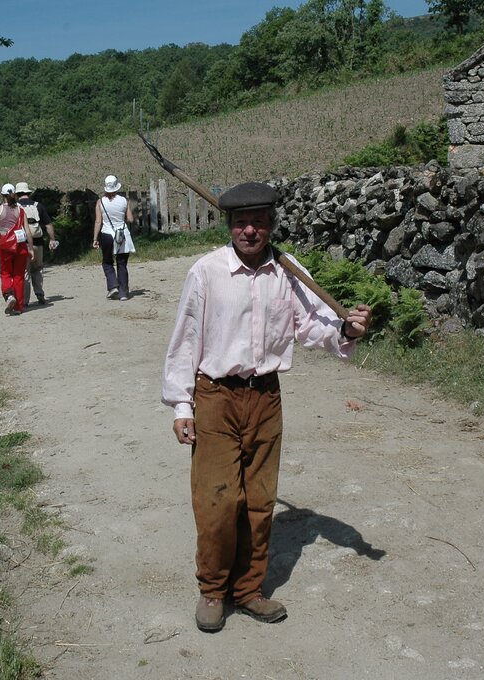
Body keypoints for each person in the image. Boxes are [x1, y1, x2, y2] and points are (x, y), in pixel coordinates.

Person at [160, 181, 372, 633]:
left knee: (258, 502)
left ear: (271, 225)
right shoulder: (206, 272)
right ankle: (214, 590)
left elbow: (316, 327)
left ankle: (249, 590)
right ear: (230, 227)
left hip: (266, 397)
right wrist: (182, 405)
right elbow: (184, 341)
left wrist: (348, 331)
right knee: (218, 502)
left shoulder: (288, 272)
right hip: (215, 396)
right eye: (241, 223)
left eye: (258, 222)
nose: (249, 231)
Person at [0, 183, 34, 316]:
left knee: (5, 273)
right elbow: (27, 231)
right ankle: (19, 307)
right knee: (19, 275)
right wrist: (30, 248)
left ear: (2, 195)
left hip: (5, 245)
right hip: (20, 246)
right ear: (14, 194)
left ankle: (9, 296)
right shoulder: (21, 211)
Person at [14, 181, 59, 305]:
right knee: (38, 268)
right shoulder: (38, 206)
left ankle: (25, 300)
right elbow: (48, 225)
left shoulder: (16, 207)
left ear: (17, 194)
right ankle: (39, 293)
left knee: (25, 271)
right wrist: (52, 239)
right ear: (28, 193)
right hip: (38, 243)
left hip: (22, 243)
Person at [92, 174, 135, 301]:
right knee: (122, 263)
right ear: (117, 187)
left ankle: (112, 286)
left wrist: (95, 238)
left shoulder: (100, 202)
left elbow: (98, 221)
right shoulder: (124, 201)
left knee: (107, 261)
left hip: (106, 234)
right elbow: (130, 219)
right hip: (121, 233)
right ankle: (123, 292)